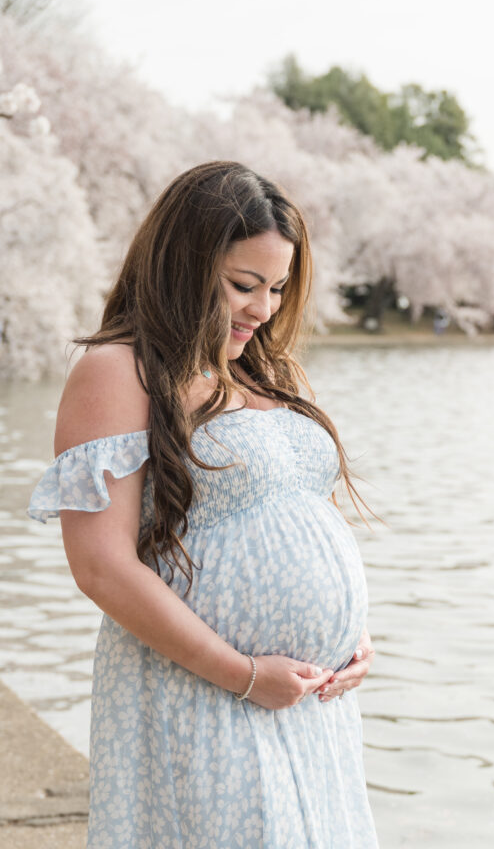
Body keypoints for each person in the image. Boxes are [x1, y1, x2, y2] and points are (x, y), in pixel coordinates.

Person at [28, 161, 378, 848]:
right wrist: (243, 676)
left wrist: (349, 639)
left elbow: (296, 513)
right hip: (206, 690)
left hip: (308, 703)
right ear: (182, 265)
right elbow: (101, 565)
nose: (264, 308)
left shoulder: (258, 369)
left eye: (277, 288)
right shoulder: (118, 370)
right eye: (244, 285)